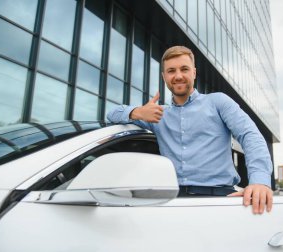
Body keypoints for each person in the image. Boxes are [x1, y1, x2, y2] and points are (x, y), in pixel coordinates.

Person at [107, 45, 273, 214]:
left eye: (184, 69)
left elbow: (250, 135)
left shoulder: (218, 102)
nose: (178, 76)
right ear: (164, 76)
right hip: (172, 201)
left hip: (220, 199)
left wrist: (259, 181)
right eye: (171, 71)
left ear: (193, 72)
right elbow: (112, 113)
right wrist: (138, 112)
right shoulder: (157, 115)